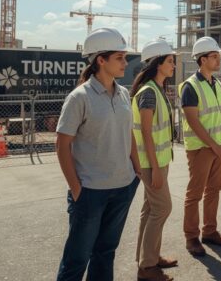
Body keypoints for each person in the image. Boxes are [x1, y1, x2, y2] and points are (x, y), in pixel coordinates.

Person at [55, 28, 141, 280]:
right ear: (100, 60)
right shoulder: (79, 97)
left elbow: (129, 135)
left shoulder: (124, 93)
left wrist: (137, 170)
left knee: (105, 252)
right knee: (76, 259)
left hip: (122, 187)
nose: (126, 63)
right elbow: (62, 144)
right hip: (90, 192)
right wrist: (75, 187)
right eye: (120, 58)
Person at [179, 36, 221, 257]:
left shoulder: (217, 83)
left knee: (214, 190)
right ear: (202, 59)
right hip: (201, 148)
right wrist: (213, 145)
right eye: (213, 56)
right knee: (195, 194)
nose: (218, 59)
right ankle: (192, 237)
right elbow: (193, 121)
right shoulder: (190, 86)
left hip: (220, 146)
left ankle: (209, 231)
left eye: (218, 56)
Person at [131, 38, 178, 281]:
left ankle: (148, 257)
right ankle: (147, 267)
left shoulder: (156, 89)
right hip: (152, 163)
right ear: (158, 63)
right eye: (170, 61)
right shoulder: (149, 92)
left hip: (158, 160)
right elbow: (147, 132)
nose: (173, 65)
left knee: (150, 209)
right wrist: (156, 170)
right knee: (163, 208)